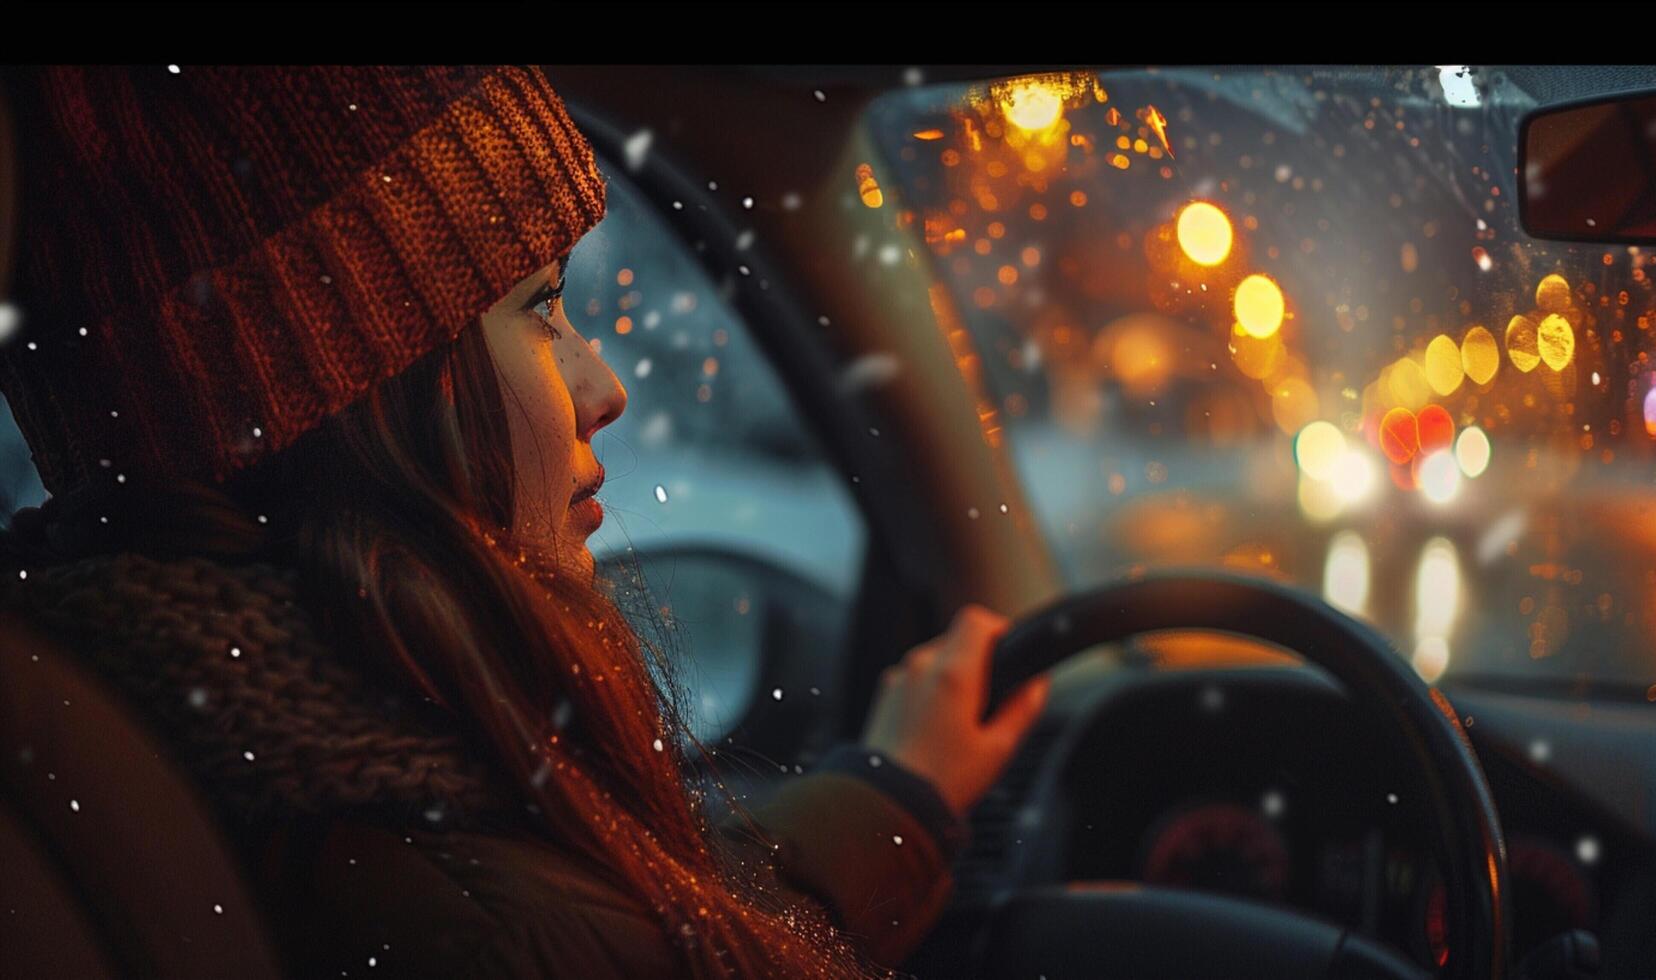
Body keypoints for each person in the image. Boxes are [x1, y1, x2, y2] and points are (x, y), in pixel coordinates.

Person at [0, 66, 1051, 978]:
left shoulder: (241, 746)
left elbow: (658, 920)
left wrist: (896, 792)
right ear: (367, 388)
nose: (604, 387)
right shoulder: (459, 909)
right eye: (543, 309)